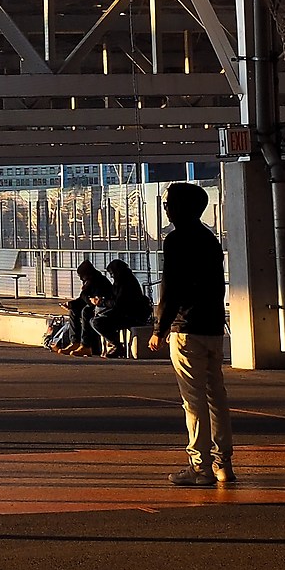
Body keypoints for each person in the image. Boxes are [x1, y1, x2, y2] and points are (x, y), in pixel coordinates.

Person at [151, 183, 232, 486]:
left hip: (186, 329)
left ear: (181, 206)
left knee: (193, 401)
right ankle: (224, 464)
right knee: (216, 397)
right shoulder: (209, 240)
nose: (167, 208)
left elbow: (170, 287)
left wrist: (160, 329)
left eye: (169, 203)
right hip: (213, 326)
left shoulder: (176, 240)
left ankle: (200, 468)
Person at [93, 258, 153, 358]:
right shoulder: (120, 281)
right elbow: (112, 297)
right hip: (124, 313)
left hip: (131, 315)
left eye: (112, 273)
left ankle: (117, 345)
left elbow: (119, 303)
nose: (112, 276)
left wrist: (103, 302)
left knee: (97, 322)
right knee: (95, 319)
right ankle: (115, 343)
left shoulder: (126, 283)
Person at [60, 261, 113, 355]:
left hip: (102, 308)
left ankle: (86, 345)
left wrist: (86, 295)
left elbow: (94, 301)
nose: (80, 278)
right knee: (74, 311)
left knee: (86, 311)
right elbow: (83, 299)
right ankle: (75, 341)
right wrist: (71, 304)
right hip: (96, 306)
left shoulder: (99, 281)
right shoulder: (89, 282)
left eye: (82, 276)